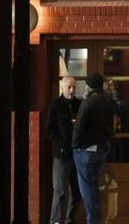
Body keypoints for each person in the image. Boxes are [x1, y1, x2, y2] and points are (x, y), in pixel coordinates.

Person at [72, 73, 115, 224]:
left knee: (87, 189)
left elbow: (79, 126)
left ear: (89, 86)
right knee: (94, 186)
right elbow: (111, 125)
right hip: (101, 149)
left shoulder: (88, 102)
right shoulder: (108, 101)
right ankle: (97, 219)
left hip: (86, 151)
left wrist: (75, 145)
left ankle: (93, 221)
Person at [46, 76, 82, 224]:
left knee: (77, 191)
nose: (72, 90)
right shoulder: (55, 105)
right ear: (62, 87)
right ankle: (55, 221)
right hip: (61, 156)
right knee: (60, 191)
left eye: (74, 87)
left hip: (78, 155)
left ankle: (69, 220)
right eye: (69, 87)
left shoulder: (79, 104)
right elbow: (49, 130)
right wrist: (60, 146)